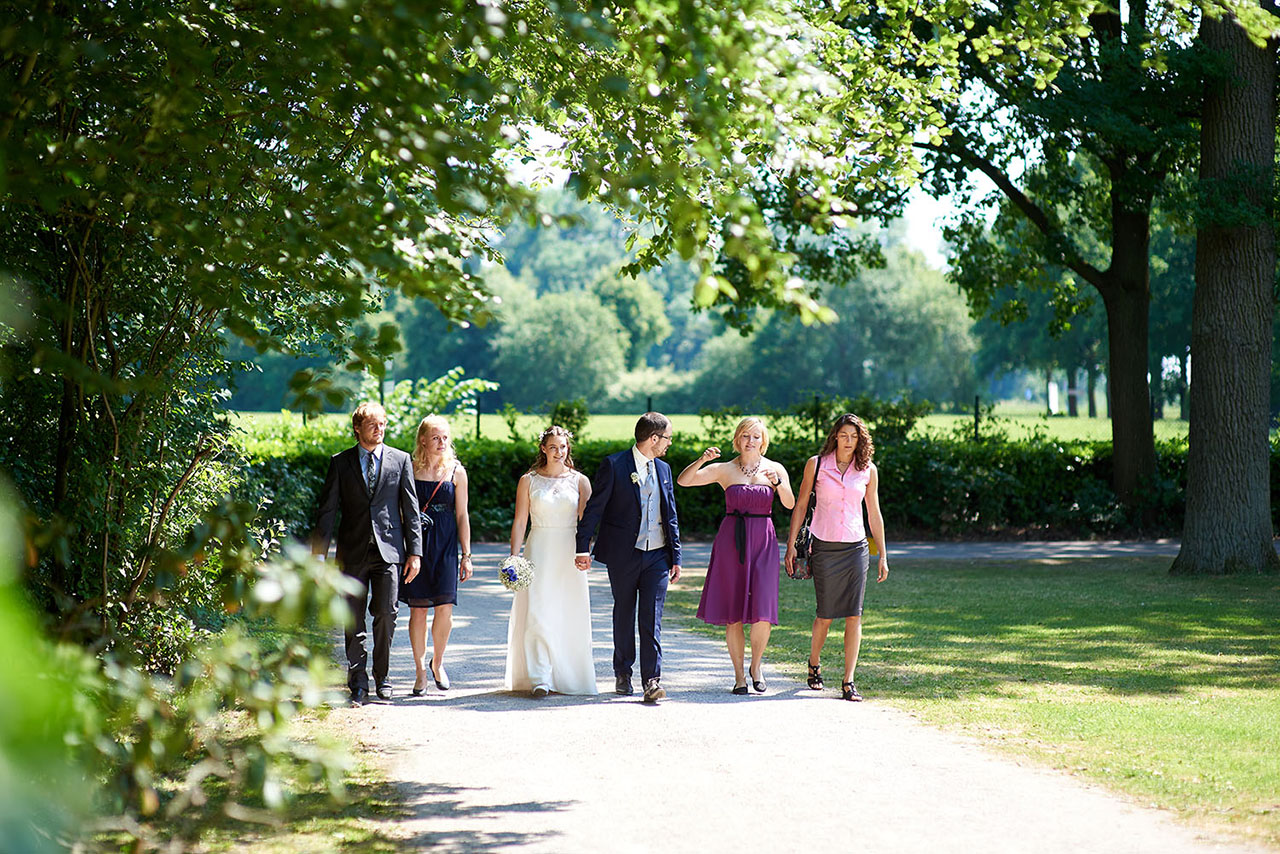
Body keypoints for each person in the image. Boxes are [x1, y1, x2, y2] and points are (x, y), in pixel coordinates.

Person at [312, 401, 422, 705]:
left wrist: (415, 553)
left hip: (389, 552)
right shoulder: (341, 462)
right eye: (373, 424)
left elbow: (410, 510)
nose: (379, 429)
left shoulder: (400, 460)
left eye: (383, 423)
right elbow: (327, 511)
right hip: (352, 551)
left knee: (387, 614)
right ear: (357, 428)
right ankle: (357, 682)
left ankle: (383, 677)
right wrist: (319, 555)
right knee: (353, 619)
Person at [677, 417, 794, 695]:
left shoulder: (774, 468)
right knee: (733, 613)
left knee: (763, 611)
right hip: (732, 541)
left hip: (763, 542)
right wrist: (701, 460)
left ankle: (757, 666)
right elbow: (684, 481)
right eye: (744, 436)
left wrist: (778, 484)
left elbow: (790, 503)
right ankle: (739, 676)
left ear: (763, 441)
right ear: (737, 439)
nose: (750, 441)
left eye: (755, 437)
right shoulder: (725, 469)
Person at [575, 412, 682, 704]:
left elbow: (670, 514)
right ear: (654, 438)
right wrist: (582, 545)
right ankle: (623, 672)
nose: (669, 444)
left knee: (652, 617)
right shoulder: (614, 465)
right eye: (667, 438)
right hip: (623, 554)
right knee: (624, 612)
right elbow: (595, 508)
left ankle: (652, 680)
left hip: (658, 555)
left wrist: (676, 556)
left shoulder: (664, 469)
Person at [784, 413, 889, 701]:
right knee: (826, 615)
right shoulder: (816, 465)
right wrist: (791, 543)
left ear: (861, 440)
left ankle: (848, 680)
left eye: (854, 436)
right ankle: (814, 663)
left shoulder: (868, 470)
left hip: (856, 548)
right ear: (835, 436)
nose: (849, 441)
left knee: (854, 615)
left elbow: (874, 513)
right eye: (844, 435)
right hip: (825, 547)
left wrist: (882, 554)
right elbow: (802, 504)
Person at [504, 426, 597, 697]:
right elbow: (520, 520)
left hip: (569, 551)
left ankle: (566, 672)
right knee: (538, 609)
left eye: (563, 447)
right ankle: (539, 676)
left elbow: (586, 522)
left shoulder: (580, 481)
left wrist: (585, 551)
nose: (559, 452)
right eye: (553, 447)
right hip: (539, 549)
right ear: (543, 448)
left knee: (567, 610)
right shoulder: (528, 480)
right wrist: (514, 556)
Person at [399, 415, 472, 695]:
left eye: (445, 437)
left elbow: (463, 514)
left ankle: (437, 662)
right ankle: (419, 671)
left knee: (445, 609)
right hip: (417, 546)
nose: (442, 442)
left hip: (445, 544)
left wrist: (467, 555)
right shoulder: (410, 468)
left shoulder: (456, 471)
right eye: (436, 437)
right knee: (418, 610)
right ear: (423, 440)